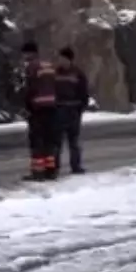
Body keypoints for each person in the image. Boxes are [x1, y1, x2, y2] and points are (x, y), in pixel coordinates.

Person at [21, 41, 58, 181]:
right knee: (49, 140)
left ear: (30, 53)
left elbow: (30, 89)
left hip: (37, 108)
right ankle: (51, 170)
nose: (24, 57)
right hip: (51, 107)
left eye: (25, 54)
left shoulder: (32, 67)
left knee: (37, 141)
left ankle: (38, 172)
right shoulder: (49, 66)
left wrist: (27, 106)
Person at [53, 46, 90, 175]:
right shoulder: (55, 73)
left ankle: (76, 166)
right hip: (58, 111)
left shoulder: (78, 74)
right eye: (60, 58)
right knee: (56, 141)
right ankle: (55, 167)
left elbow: (84, 93)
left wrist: (80, 108)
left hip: (73, 111)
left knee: (73, 141)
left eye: (63, 58)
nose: (61, 61)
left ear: (69, 59)